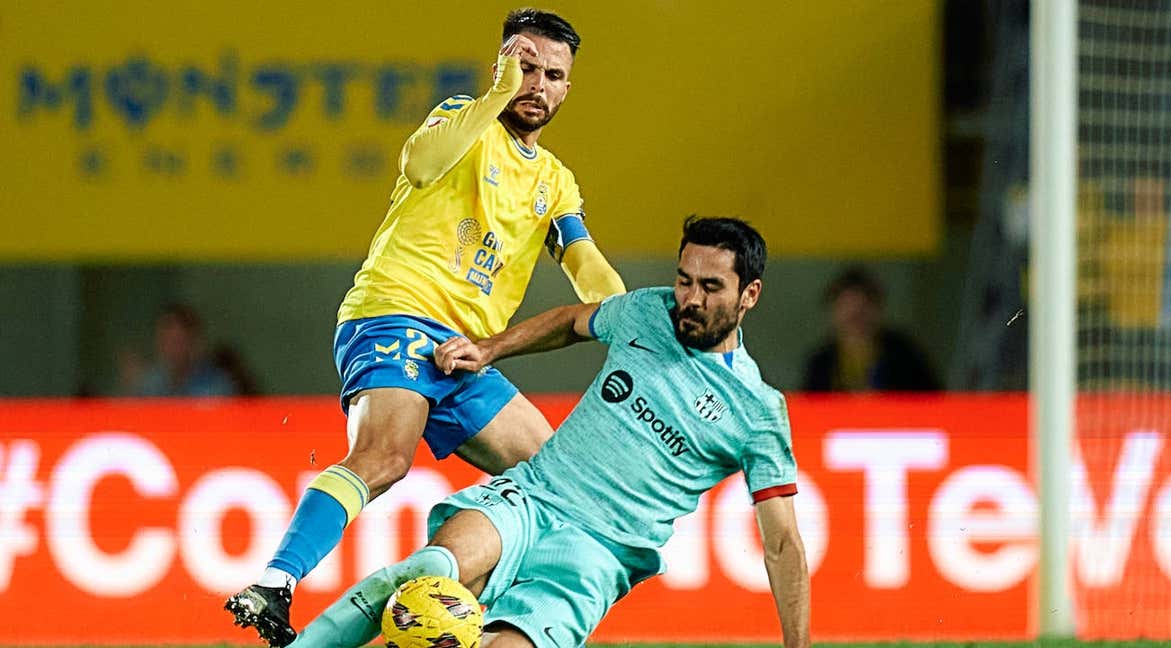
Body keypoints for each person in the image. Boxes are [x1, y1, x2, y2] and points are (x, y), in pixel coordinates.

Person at [225, 8, 625, 646]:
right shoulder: (460, 119)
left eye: (553, 75)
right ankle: (274, 583)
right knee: (384, 459)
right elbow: (418, 165)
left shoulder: (553, 183)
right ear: (502, 66)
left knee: (556, 480)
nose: (537, 86)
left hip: (466, 356)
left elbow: (587, 267)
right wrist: (495, 93)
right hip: (395, 313)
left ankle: (470, 609)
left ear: (567, 87)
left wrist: (634, 320)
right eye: (525, 68)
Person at [287, 217, 809, 648]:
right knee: (420, 577)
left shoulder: (758, 412)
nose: (689, 299)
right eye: (684, 279)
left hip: (598, 556)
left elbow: (782, 542)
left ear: (750, 294)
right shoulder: (649, 312)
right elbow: (572, 320)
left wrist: (797, 645)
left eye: (711, 286)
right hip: (533, 496)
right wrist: (489, 349)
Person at [802, 265, 940, 392]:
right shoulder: (822, 362)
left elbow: (932, 398)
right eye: (846, 308)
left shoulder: (903, 354)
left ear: (878, 309)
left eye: (864, 308)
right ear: (833, 312)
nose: (856, 316)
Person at [125, 303, 237, 397]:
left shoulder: (217, 386)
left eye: (177, 341)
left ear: (195, 341)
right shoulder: (150, 381)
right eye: (165, 340)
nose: (171, 349)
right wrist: (134, 387)